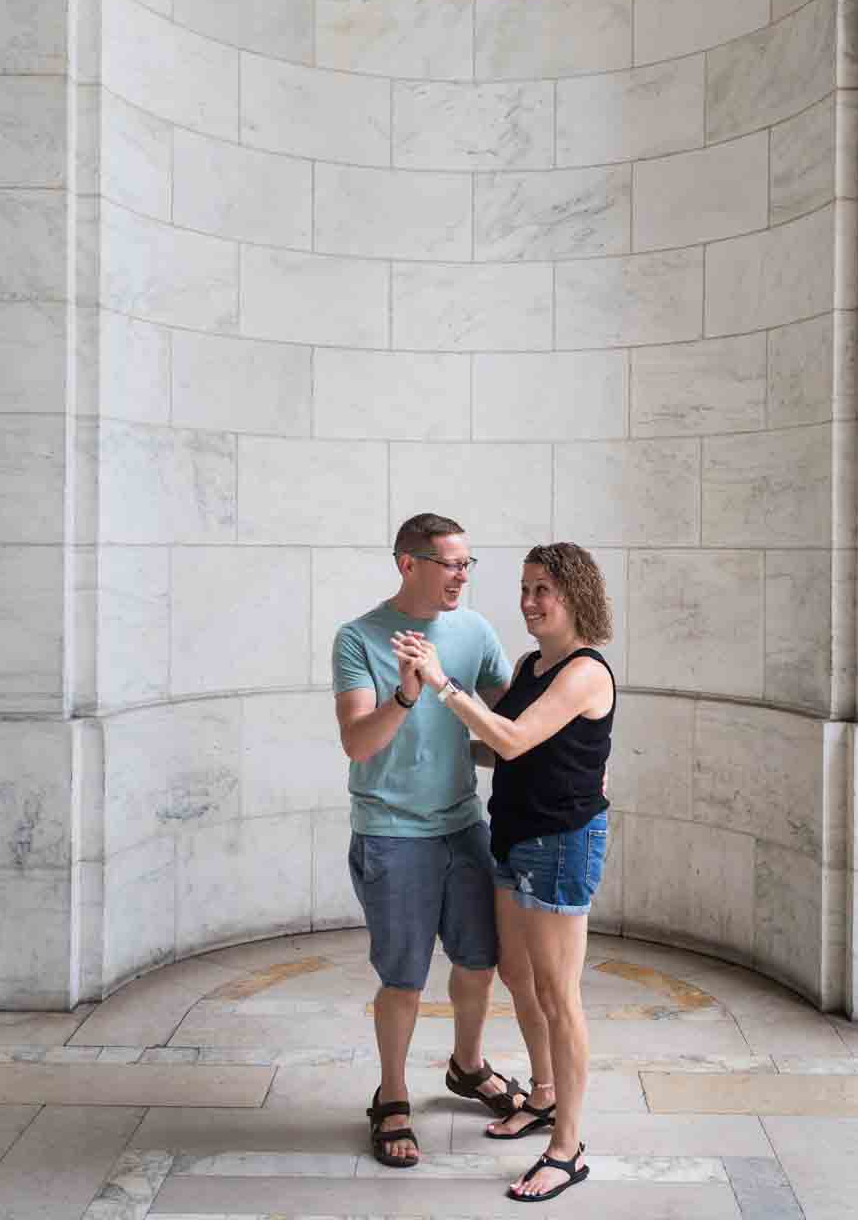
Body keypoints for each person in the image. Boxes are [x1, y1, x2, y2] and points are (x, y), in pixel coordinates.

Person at [392, 541, 615, 1204]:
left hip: (560, 845)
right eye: (523, 588)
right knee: (517, 979)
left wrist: (441, 683)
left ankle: (567, 1148)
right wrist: (429, 745)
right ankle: (543, 1098)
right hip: (513, 838)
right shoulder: (530, 664)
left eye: (542, 589)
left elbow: (513, 739)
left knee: (558, 997)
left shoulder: (584, 672)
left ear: (575, 593)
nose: (528, 602)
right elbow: (504, 750)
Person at [332, 512, 527, 1170]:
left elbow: (510, 724)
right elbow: (359, 743)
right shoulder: (359, 637)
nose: (462, 576)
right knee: (405, 979)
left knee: (478, 964)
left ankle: (466, 1066)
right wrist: (408, 692)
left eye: (468, 564)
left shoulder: (473, 631)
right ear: (407, 563)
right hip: (391, 833)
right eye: (450, 563)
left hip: (462, 823)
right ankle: (390, 1096)